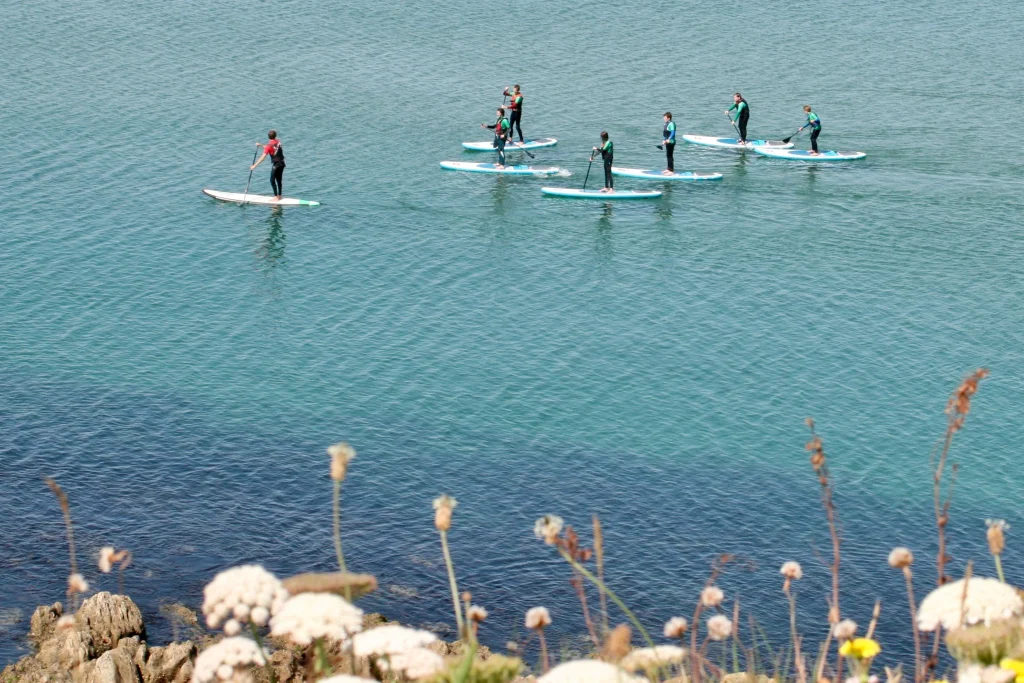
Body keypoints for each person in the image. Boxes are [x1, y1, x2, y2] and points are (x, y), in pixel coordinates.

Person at [251, 130, 285, 200]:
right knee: (279, 180)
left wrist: (254, 165)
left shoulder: (269, 146)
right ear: (275, 136)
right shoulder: (278, 142)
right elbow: (270, 147)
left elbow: (263, 157)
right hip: (282, 163)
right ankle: (280, 196)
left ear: (268, 137)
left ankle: (276, 197)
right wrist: (260, 145)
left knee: (272, 180)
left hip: (277, 164)